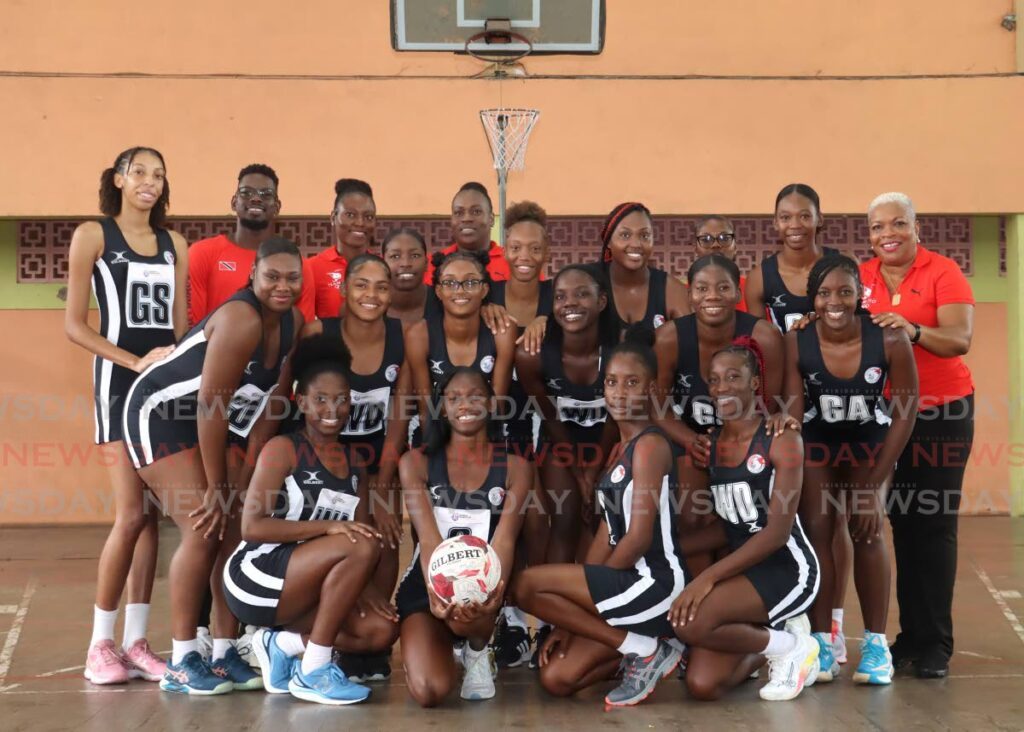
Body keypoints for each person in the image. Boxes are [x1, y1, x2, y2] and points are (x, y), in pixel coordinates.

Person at [122, 237, 304, 694]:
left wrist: (241, 486)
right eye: (272, 276)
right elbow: (210, 406)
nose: (283, 286)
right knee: (203, 526)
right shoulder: (242, 319)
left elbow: (270, 408)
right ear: (253, 277)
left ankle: (224, 652)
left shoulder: (294, 321)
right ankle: (184, 659)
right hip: (159, 414)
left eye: (292, 277)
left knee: (235, 532)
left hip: (219, 426)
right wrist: (216, 491)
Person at [515, 325, 687, 709]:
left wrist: (597, 592)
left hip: (653, 583)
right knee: (557, 678)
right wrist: (567, 620)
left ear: (651, 390)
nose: (620, 392)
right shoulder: (621, 449)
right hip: (625, 582)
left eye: (632, 383)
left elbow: (639, 537)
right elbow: (606, 534)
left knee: (525, 586)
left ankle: (644, 649)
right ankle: (649, 649)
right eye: (612, 382)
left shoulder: (651, 445)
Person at [66, 146, 188, 685]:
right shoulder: (94, 234)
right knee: (131, 514)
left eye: (158, 175)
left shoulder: (174, 244)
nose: (149, 182)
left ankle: (137, 643)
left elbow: (180, 332)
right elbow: (75, 325)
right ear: (117, 179)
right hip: (117, 388)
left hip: (164, 394)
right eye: (139, 171)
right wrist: (133, 361)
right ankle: (100, 645)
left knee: (155, 522)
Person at [227, 334, 395, 706]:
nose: (332, 408)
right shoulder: (282, 449)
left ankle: (280, 644)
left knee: (380, 630)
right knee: (361, 543)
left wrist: (362, 589)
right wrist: (328, 528)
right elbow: (251, 526)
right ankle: (315, 669)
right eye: (320, 399)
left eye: (341, 399)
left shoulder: (355, 463)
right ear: (301, 401)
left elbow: (361, 536)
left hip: (309, 585)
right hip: (255, 574)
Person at [783, 254, 918, 685]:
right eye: (824, 293)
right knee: (819, 528)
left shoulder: (890, 338)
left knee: (868, 527)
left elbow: (905, 412)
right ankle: (823, 641)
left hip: (868, 444)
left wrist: (874, 482)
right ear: (813, 299)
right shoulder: (796, 340)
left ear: (861, 293)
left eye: (845, 291)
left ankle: (876, 646)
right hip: (820, 442)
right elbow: (793, 408)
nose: (835, 301)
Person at [860, 192, 975, 678]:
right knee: (894, 523)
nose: (888, 234)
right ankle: (905, 637)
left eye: (898, 224)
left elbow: (959, 338)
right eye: (878, 227)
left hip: (939, 412)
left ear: (915, 228)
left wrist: (913, 329)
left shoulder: (942, 271)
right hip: (879, 416)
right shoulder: (860, 277)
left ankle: (934, 645)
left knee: (930, 525)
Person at [670, 340, 820, 703]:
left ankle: (793, 646)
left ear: (754, 383)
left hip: (787, 569)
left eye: (733, 377)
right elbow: (731, 524)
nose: (722, 387)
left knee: (691, 623)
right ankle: (772, 641)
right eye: (714, 379)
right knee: (702, 684)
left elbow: (777, 532)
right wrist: (670, 551)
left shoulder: (781, 439)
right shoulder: (712, 444)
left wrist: (707, 578)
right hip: (744, 571)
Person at [301, 253, 410, 681]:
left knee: (384, 538)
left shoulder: (403, 337)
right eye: (361, 285)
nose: (371, 294)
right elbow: (294, 394)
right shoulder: (319, 333)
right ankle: (320, 632)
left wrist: (383, 487)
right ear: (344, 288)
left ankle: (370, 643)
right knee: (334, 543)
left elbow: (400, 414)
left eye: (382, 286)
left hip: (377, 459)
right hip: (325, 460)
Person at [396, 368, 532, 706]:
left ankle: (477, 651)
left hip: (486, 585)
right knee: (429, 691)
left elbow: (505, 541)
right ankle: (436, 646)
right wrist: (437, 593)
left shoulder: (516, 467)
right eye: (454, 398)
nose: (464, 404)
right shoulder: (415, 462)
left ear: (490, 403)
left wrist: (486, 594)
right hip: (428, 585)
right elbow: (427, 539)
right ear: (442, 408)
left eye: (474, 396)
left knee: (478, 603)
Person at [516, 265, 619, 572]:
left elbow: (617, 420)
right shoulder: (532, 357)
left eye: (581, 294)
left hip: (611, 443)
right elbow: (550, 419)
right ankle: (554, 607)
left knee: (606, 517)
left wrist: (597, 471)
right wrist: (580, 474)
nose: (570, 303)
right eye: (561, 297)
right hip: (561, 444)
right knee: (564, 519)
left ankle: (601, 597)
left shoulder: (620, 351)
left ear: (601, 302)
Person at [486, 201, 553, 669]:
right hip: (496, 417)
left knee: (541, 516)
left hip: (547, 419)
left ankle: (546, 613)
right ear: (503, 249)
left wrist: (556, 319)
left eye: (534, 246)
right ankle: (507, 617)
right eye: (515, 246)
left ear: (548, 250)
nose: (524, 254)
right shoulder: (486, 293)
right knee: (497, 515)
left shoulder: (561, 295)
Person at [405, 250, 518, 446]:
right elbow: (426, 409)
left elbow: (495, 406)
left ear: (484, 290)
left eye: (471, 282)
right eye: (449, 283)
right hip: (438, 432)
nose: (460, 290)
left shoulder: (502, 331)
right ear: (438, 292)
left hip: (487, 434)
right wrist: (438, 451)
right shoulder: (419, 335)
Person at [187, 163, 315, 325]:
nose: (255, 198)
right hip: (213, 349)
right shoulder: (202, 253)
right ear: (234, 202)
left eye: (266, 194)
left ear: (277, 207)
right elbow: (193, 326)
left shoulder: (297, 264)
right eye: (246, 193)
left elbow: (302, 331)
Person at [745, 184, 837, 332]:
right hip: (786, 354)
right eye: (785, 217)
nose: (794, 225)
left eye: (805, 216)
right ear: (775, 223)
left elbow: (858, 321)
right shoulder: (759, 278)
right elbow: (760, 341)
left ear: (819, 219)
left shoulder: (842, 264)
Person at [596, 202, 689, 337]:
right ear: (608, 241)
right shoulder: (588, 281)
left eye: (644, 236)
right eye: (625, 235)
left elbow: (690, 342)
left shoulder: (670, 289)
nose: (636, 244)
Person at [308, 178, 377, 319]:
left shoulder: (381, 268)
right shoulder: (312, 267)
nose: (360, 223)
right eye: (350, 215)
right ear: (333, 217)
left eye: (368, 216)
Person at [424, 182, 511, 284]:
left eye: (476, 212)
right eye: (459, 213)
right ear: (451, 220)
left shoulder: (512, 261)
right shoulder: (431, 264)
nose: (466, 218)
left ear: (491, 219)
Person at [693, 215, 748, 313]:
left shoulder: (752, 288)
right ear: (696, 249)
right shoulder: (680, 293)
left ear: (735, 247)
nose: (715, 245)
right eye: (706, 239)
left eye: (724, 238)